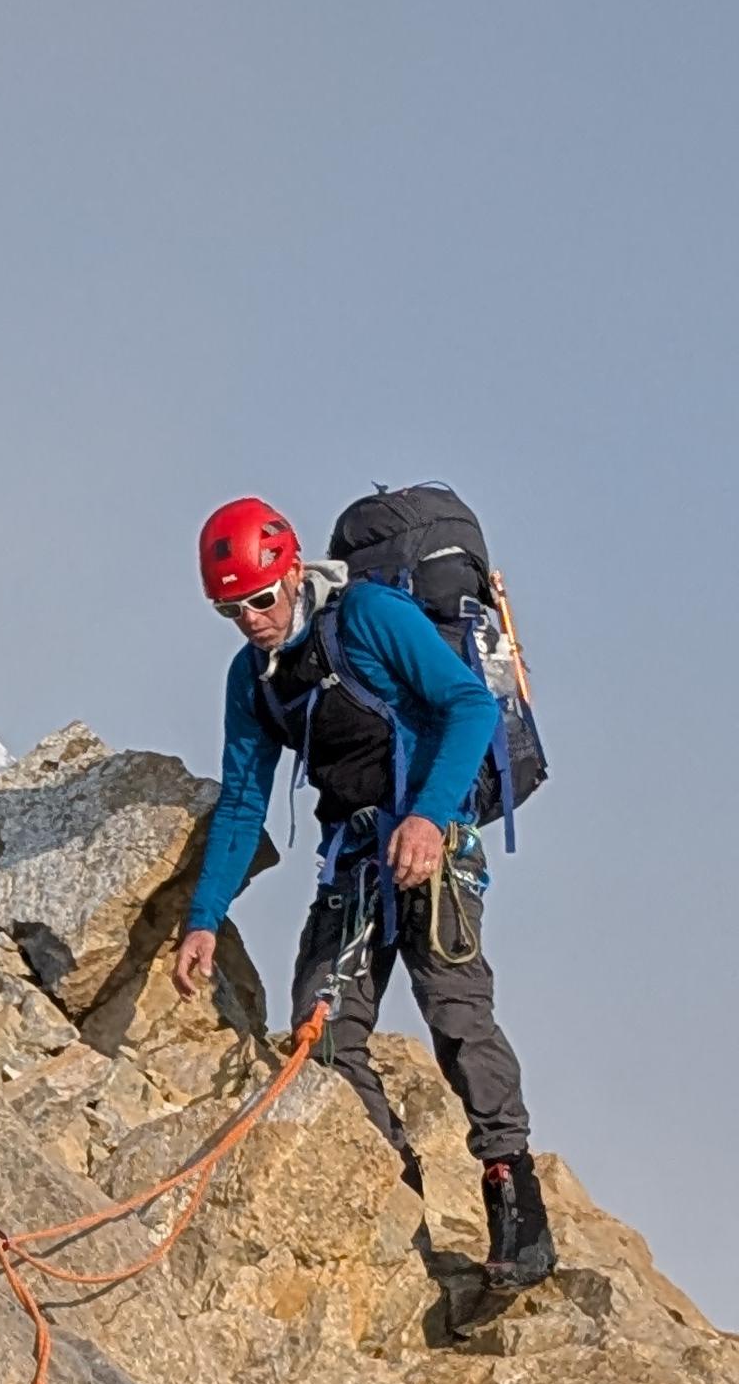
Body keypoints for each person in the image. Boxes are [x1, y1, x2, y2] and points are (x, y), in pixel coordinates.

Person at [171, 496, 554, 1291]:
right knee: (323, 1034)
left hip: (430, 839)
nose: (250, 621)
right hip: (352, 858)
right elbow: (242, 802)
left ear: (291, 573)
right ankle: (396, 1192)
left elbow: (468, 705)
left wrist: (429, 818)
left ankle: (517, 1206)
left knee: (455, 1012)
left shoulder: (370, 617)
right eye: (229, 610)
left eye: (259, 599)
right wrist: (204, 918)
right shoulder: (253, 679)